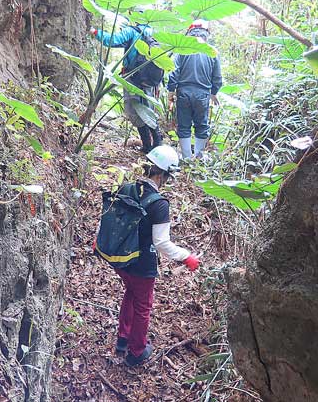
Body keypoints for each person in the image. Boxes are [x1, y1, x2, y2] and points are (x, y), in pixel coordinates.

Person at [112, 145, 200, 366]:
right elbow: (161, 242)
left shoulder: (127, 187)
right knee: (143, 305)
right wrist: (186, 257)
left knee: (131, 293)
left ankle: (123, 338)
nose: (167, 181)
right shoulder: (159, 204)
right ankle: (136, 352)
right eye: (168, 177)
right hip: (141, 264)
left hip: (121, 258)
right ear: (161, 174)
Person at [90, 21, 164, 153]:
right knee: (148, 109)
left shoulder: (132, 31)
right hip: (148, 80)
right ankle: (157, 144)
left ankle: (147, 145)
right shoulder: (153, 34)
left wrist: (95, 32)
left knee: (133, 110)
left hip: (132, 77)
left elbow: (112, 40)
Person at [167, 20, 223, 159]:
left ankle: (186, 158)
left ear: (190, 32)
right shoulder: (212, 52)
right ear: (206, 33)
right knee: (201, 126)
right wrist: (214, 93)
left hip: (184, 93)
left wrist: (171, 91)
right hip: (202, 95)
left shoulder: (182, 49)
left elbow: (174, 72)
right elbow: (217, 77)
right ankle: (198, 158)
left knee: (184, 126)